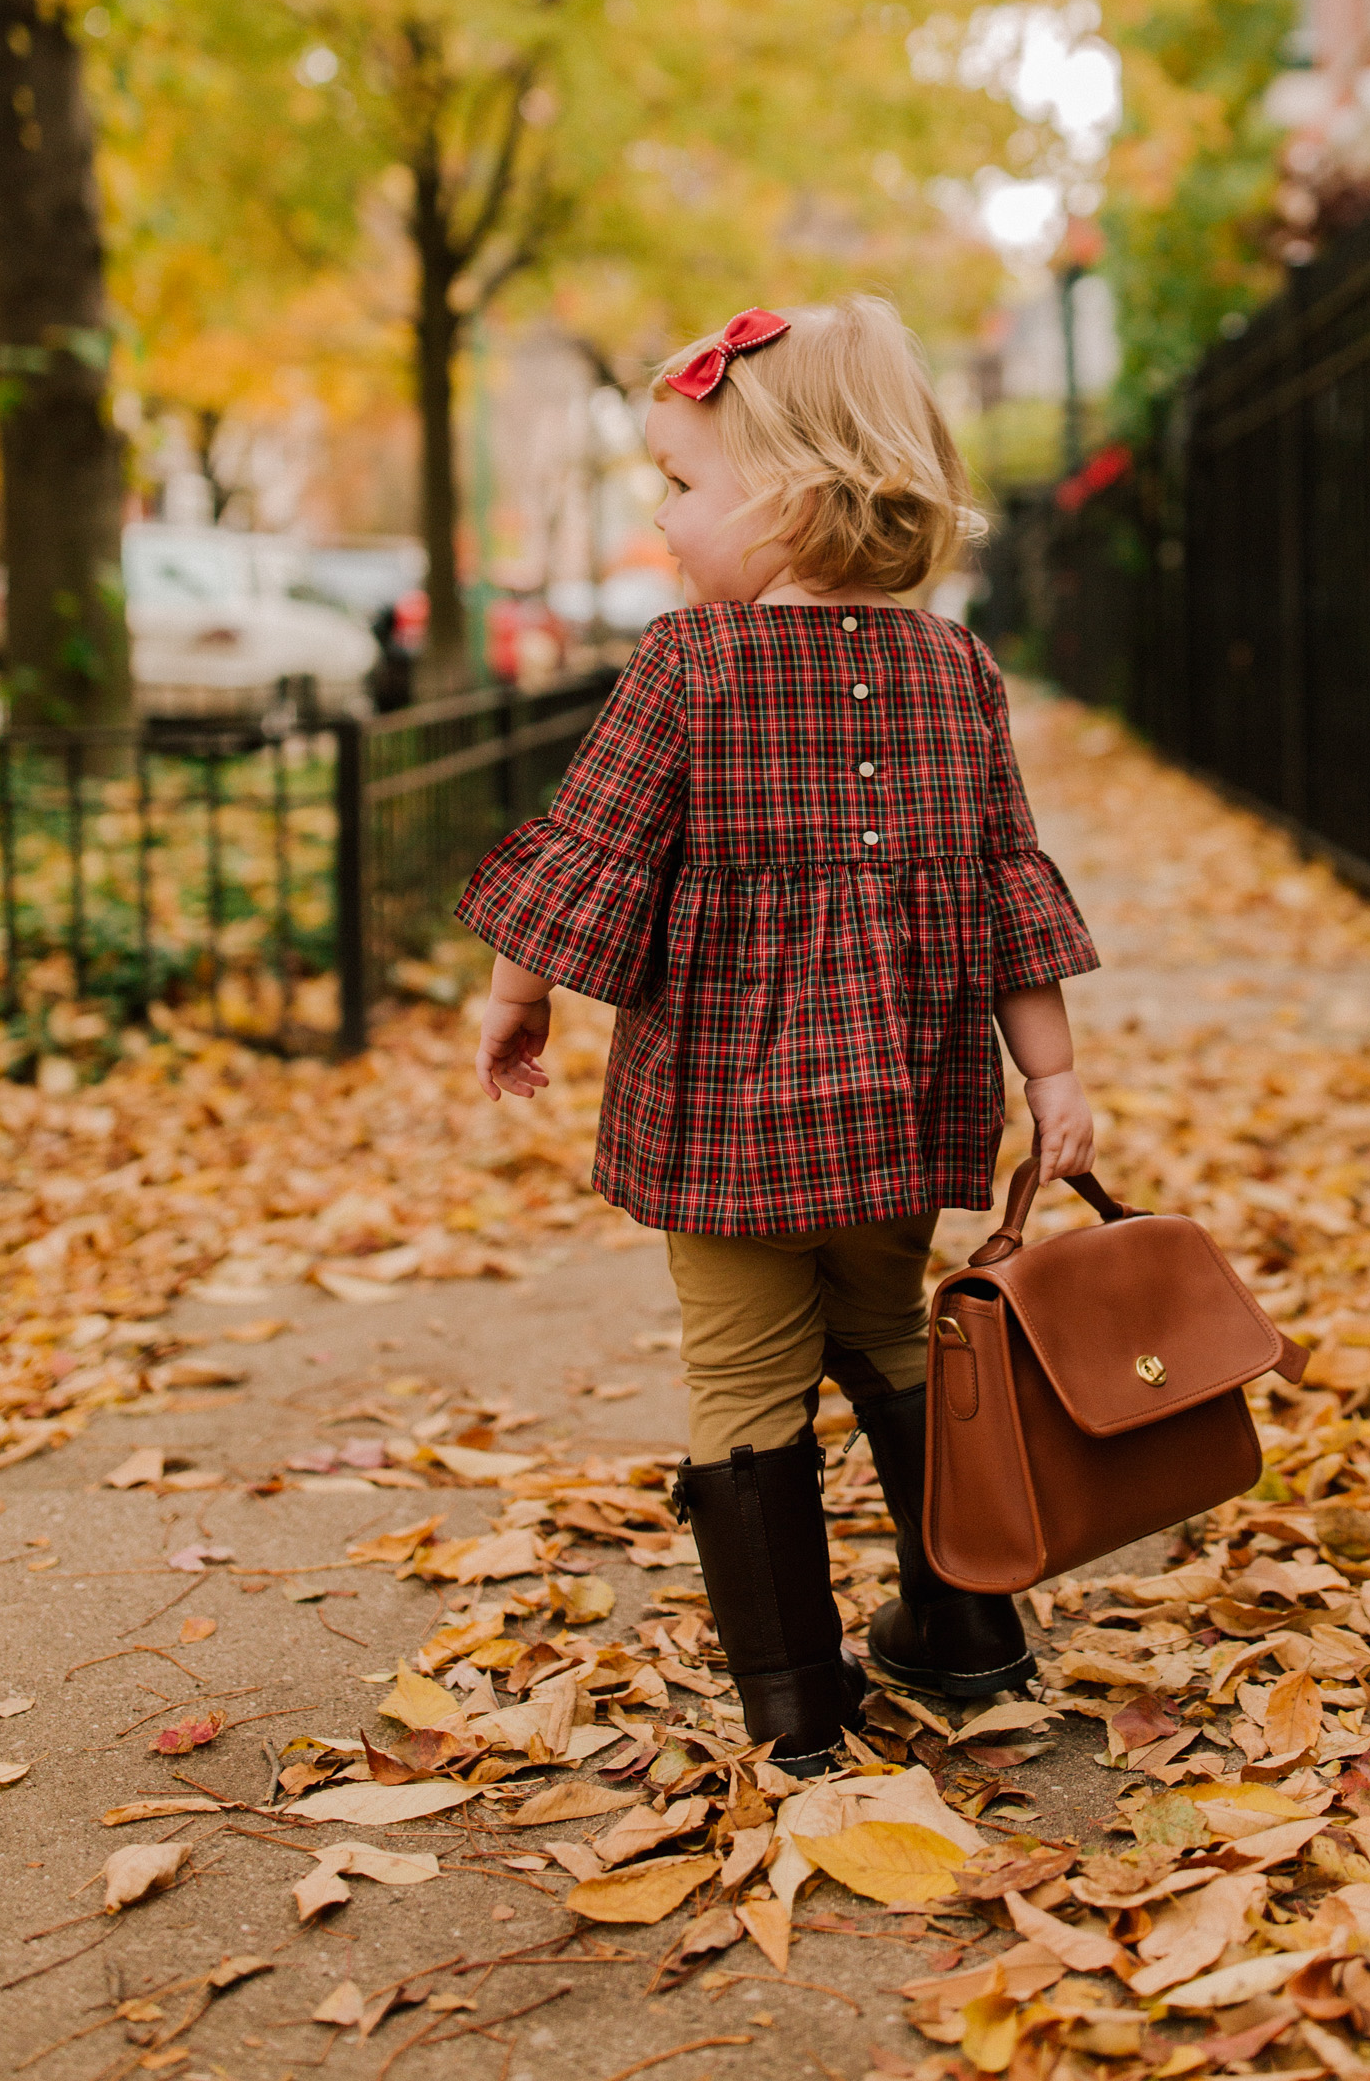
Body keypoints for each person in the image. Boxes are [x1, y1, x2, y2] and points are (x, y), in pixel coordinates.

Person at [458, 295, 1098, 1774]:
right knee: (893, 1334)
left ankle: (797, 1709)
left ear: (792, 499)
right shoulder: (959, 670)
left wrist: (514, 998)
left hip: (730, 1120)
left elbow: (595, 851)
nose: (668, 521)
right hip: (904, 1109)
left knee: (745, 1378)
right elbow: (1011, 886)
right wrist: (1053, 1075)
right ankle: (966, 1633)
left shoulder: (690, 662)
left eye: (684, 486)